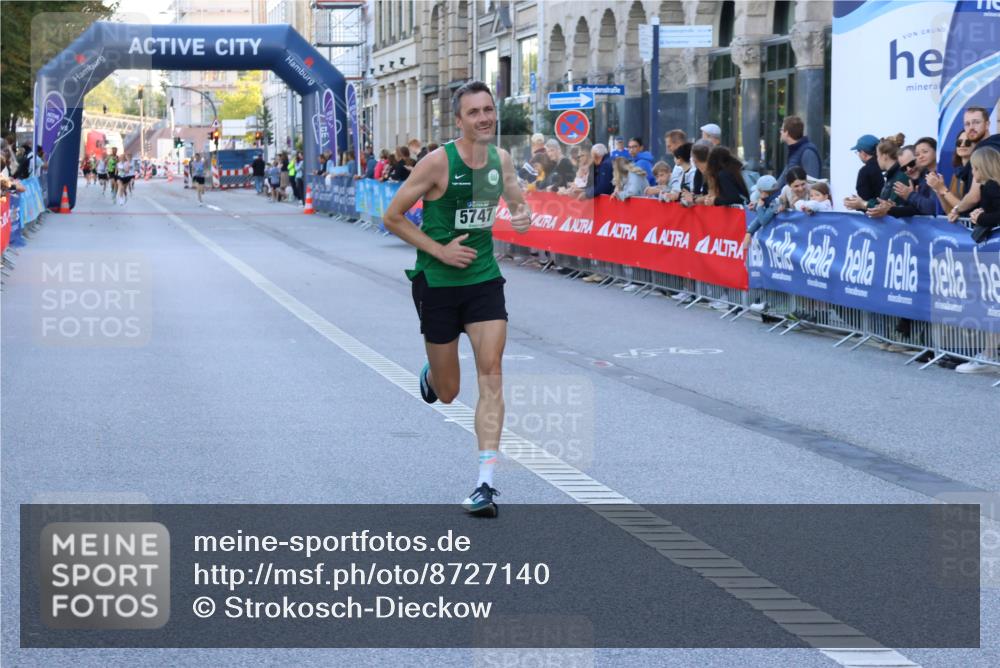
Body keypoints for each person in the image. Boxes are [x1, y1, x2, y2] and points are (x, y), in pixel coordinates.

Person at [383, 81, 531, 517]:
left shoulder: (501, 160)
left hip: (484, 279)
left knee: (492, 372)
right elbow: (392, 216)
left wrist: (521, 216)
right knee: (449, 392)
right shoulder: (436, 163)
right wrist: (440, 250)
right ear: (459, 120)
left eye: (488, 109)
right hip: (438, 282)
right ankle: (433, 375)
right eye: (474, 112)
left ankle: (485, 484)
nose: (484, 118)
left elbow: (516, 202)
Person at [953, 146, 1000, 374]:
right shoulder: (992, 187)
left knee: (993, 304)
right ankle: (989, 354)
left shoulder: (990, 187)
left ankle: (989, 356)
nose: (973, 173)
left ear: (983, 167)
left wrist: (980, 217)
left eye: (974, 168)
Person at [928, 132, 973, 212]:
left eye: (968, 142)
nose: (962, 145)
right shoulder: (957, 173)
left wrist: (942, 189)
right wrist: (938, 189)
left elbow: (965, 208)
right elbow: (949, 209)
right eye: (959, 142)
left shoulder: (977, 172)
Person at [775, 115, 821, 189]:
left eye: (782, 129)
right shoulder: (794, 150)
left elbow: (812, 182)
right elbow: (782, 179)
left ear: (787, 132)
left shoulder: (807, 152)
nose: (780, 132)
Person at [843, 134, 884, 211]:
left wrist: (855, 204)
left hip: (874, 215)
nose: (858, 155)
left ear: (863, 153)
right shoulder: (885, 166)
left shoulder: (865, 171)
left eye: (858, 152)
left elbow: (864, 199)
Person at [742, 174, 781, 250]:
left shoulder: (776, 201)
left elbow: (763, 221)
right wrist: (749, 232)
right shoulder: (770, 200)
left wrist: (759, 207)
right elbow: (762, 216)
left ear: (763, 192)